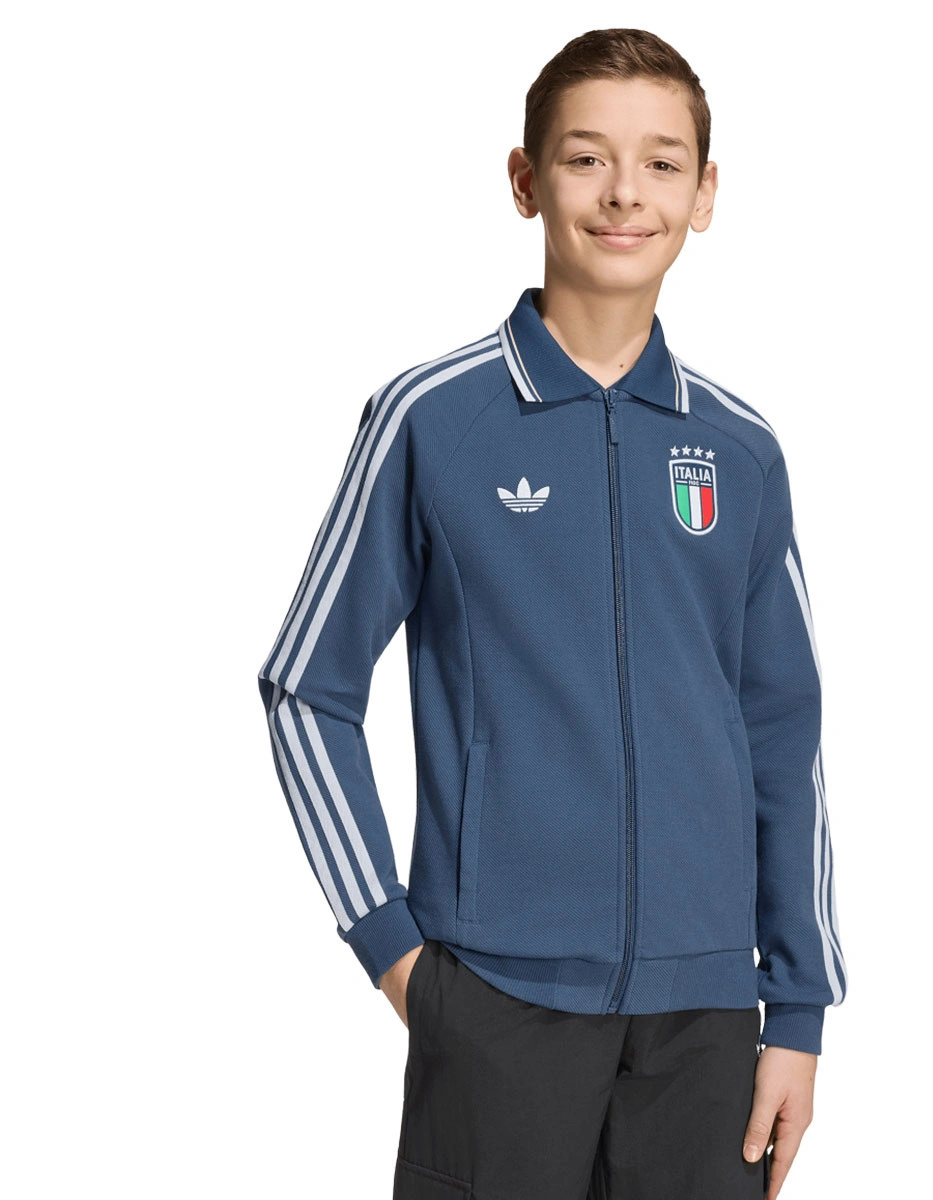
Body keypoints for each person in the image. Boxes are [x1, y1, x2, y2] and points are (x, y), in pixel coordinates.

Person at [256, 26, 847, 1200]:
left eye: (663, 163)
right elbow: (304, 688)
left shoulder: (740, 448)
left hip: (707, 1019)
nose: (625, 193)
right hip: (496, 1002)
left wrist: (799, 1009)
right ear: (526, 181)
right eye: (586, 158)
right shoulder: (434, 418)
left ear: (705, 195)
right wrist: (397, 953)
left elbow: (784, 729)